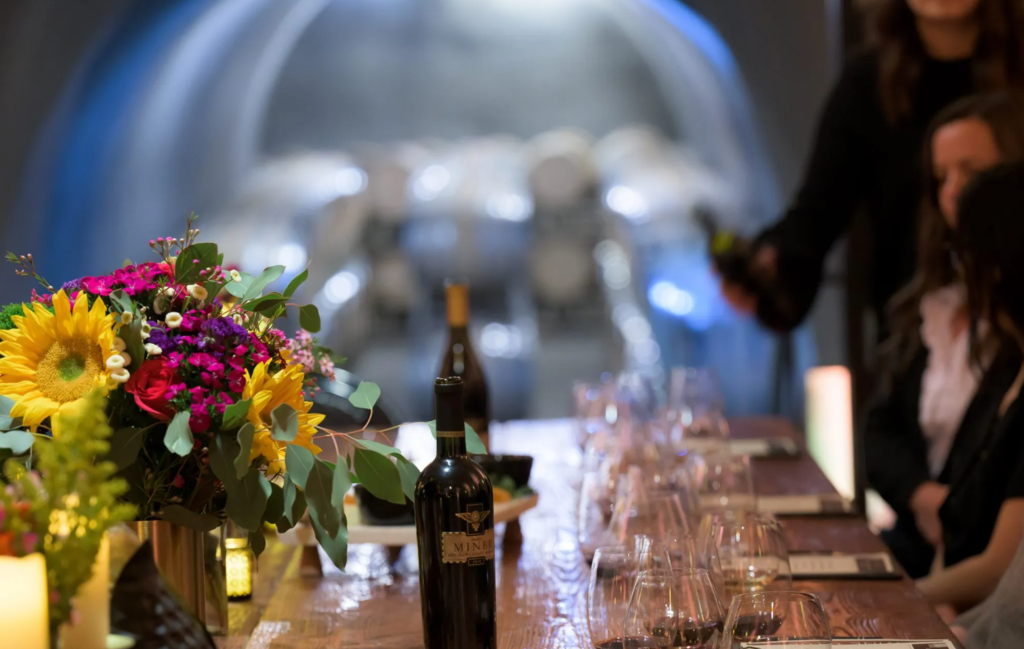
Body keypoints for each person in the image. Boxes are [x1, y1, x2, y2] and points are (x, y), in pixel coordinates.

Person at [720, 0, 1024, 332]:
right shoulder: (866, 83)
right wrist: (764, 267)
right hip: (914, 324)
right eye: (940, 178)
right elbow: (815, 215)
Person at [863, 91, 1024, 579]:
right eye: (941, 177)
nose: (951, 191)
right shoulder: (931, 302)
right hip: (925, 546)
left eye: (970, 171)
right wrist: (922, 495)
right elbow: (879, 429)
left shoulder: (1014, 313)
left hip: (975, 567)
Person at [913, 162, 1024, 613]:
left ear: (995, 268)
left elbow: (999, 569)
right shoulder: (1005, 368)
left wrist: (900, 601)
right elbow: (956, 525)